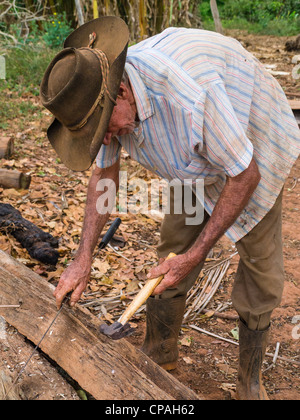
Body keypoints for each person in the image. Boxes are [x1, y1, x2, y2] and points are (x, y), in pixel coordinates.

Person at [40, 16, 300, 400]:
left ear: (123, 93)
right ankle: (160, 353)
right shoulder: (103, 97)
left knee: (261, 272)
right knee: (170, 255)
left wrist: (197, 255)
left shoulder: (190, 96)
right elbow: (105, 176)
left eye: (103, 130)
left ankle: (249, 383)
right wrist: (83, 257)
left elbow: (244, 175)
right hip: (191, 161)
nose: (105, 139)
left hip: (252, 144)